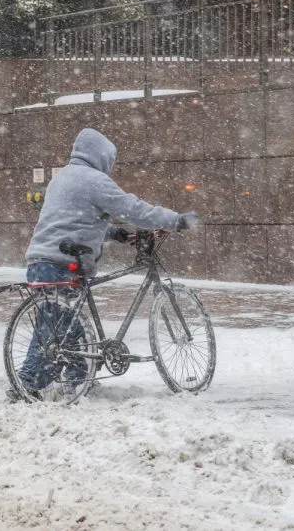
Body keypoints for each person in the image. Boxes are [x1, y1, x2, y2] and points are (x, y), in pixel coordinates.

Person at [12, 127, 200, 400]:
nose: (110, 166)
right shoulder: (95, 181)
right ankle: (26, 384)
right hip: (63, 261)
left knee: (64, 328)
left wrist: (114, 232)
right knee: (53, 329)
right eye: (109, 159)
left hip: (42, 259)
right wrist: (176, 220)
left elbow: (73, 219)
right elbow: (134, 209)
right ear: (99, 156)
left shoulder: (61, 178)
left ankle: (78, 380)